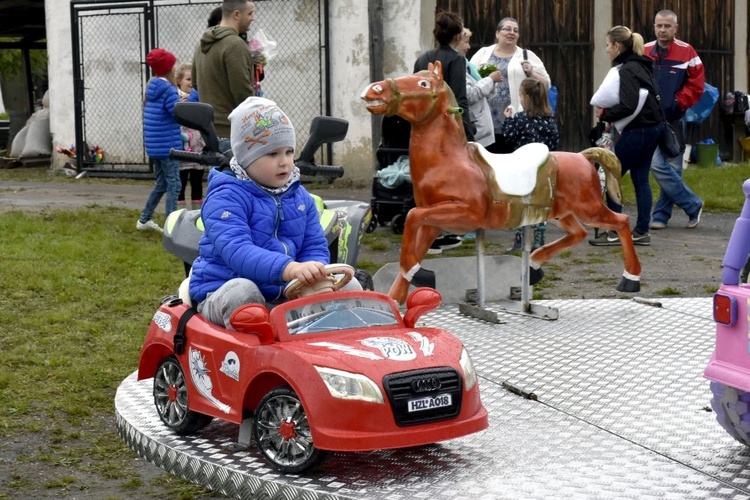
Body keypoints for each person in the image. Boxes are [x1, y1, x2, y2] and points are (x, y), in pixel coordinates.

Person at [189, 97, 360, 328]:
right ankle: (252, 355)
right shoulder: (226, 197)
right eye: (272, 154)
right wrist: (290, 269)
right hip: (223, 291)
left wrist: (315, 272)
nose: (285, 163)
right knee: (243, 291)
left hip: (285, 291)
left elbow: (314, 244)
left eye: (289, 152)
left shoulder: (300, 197)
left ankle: (341, 351)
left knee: (349, 287)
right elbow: (237, 251)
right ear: (245, 158)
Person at [589, 26, 663, 247]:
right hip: (653, 128)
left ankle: (613, 231)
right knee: (640, 179)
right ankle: (642, 231)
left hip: (639, 129)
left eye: (608, 45)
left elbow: (629, 104)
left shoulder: (628, 69)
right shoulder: (643, 65)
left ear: (618, 46)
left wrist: (605, 114)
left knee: (612, 174)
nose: (607, 50)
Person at [413, 11, 472, 253]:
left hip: (423, 129)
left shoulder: (421, 59)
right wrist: (467, 129)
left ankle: (429, 230)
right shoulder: (457, 59)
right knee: (454, 181)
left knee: (430, 181)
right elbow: (458, 99)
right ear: (458, 35)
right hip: (445, 130)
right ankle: (447, 229)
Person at [645, 9, 705, 230]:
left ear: (675, 28)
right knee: (657, 166)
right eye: (659, 25)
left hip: (675, 120)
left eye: (667, 26)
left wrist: (678, 102)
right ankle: (693, 204)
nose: (662, 30)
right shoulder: (644, 51)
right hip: (650, 120)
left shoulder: (687, 52)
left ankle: (661, 215)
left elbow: (697, 84)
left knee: (673, 168)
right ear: (654, 27)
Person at [469, 18, 551, 154]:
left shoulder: (526, 55)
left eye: (516, 30)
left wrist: (531, 72)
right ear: (497, 34)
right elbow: (470, 79)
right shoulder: (483, 53)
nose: (511, 33)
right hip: (486, 120)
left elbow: (546, 84)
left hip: (516, 121)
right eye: (507, 29)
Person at [137, 48, 196, 233]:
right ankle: (172, 228)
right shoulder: (169, 90)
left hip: (156, 146)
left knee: (162, 183)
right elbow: (178, 114)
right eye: (173, 64)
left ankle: (144, 219)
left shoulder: (153, 87)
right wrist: (194, 97)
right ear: (169, 68)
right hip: (168, 146)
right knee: (174, 184)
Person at [501, 78, 560, 251]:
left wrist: (508, 119)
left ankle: (519, 240)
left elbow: (508, 137)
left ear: (526, 97)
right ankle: (539, 240)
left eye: (520, 95)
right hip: (542, 168)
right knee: (540, 203)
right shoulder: (550, 119)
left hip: (521, 168)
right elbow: (554, 142)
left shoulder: (520, 119)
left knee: (518, 202)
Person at [192, 0, 256, 147]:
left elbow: (195, 82)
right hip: (233, 133)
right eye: (250, 13)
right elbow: (243, 95)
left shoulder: (201, 43)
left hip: (210, 131)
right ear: (237, 14)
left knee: (217, 170)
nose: (253, 18)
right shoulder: (235, 44)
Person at [459, 28, 499, 147]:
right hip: (476, 129)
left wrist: (491, 82)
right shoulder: (459, 67)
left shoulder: (468, 65)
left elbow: (486, 92)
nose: (469, 47)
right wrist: (491, 79)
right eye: (465, 42)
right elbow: (470, 94)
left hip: (481, 129)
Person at [174, 63, 204, 210]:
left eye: (194, 79)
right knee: (181, 182)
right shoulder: (175, 98)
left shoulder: (200, 97)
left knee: (197, 181)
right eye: (188, 79)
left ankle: (196, 214)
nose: (192, 83)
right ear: (179, 81)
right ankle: (180, 215)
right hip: (182, 148)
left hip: (197, 146)